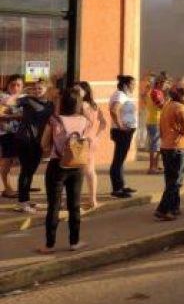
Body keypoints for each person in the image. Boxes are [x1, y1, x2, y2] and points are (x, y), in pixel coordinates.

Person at [38, 86, 90, 254]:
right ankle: (74, 242)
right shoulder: (83, 120)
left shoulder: (55, 120)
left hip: (57, 165)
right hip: (77, 166)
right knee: (74, 205)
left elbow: (43, 144)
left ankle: (49, 244)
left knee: (53, 205)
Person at [154, 84, 184, 221]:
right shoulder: (180, 108)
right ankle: (162, 210)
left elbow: (161, 129)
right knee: (176, 181)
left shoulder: (167, 106)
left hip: (166, 146)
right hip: (177, 147)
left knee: (170, 179)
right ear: (181, 96)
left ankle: (174, 207)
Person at [15, 79, 54, 212]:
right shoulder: (27, 100)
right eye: (36, 88)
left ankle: (25, 199)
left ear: (47, 90)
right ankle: (22, 202)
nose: (37, 91)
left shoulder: (50, 104)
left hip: (39, 141)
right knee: (25, 171)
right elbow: (9, 103)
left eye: (40, 88)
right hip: (25, 139)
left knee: (31, 171)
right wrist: (21, 93)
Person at [78, 81, 107, 209]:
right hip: (91, 140)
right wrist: (97, 137)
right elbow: (103, 123)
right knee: (90, 171)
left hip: (80, 140)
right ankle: (92, 199)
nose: (76, 93)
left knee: (77, 171)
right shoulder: (94, 105)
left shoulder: (81, 105)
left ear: (85, 92)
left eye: (78, 90)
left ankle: (76, 199)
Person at [109, 74, 138, 198]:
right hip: (121, 132)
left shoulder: (125, 95)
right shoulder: (119, 95)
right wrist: (120, 125)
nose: (134, 86)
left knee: (121, 160)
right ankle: (117, 189)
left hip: (126, 131)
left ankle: (121, 185)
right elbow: (114, 110)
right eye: (132, 84)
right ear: (125, 85)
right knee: (118, 160)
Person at [0, 74, 24, 198]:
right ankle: (7, 188)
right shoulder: (3, 96)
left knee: (14, 163)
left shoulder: (24, 98)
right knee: (6, 162)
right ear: (7, 86)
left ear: (22, 86)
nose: (15, 87)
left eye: (18, 85)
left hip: (20, 134)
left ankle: (12, 187)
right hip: (7, 134)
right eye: (12, 85)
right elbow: (2, 112)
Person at [145, 75, 168, 175]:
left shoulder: (159, 92)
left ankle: (156, 165)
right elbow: (161, 106)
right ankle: (151, 167)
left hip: (158, 121)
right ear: (158, 83)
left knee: (158, 146)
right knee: (154, 145)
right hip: (154, 121)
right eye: (164, 83)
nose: (165, 85)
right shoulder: (154, 92)